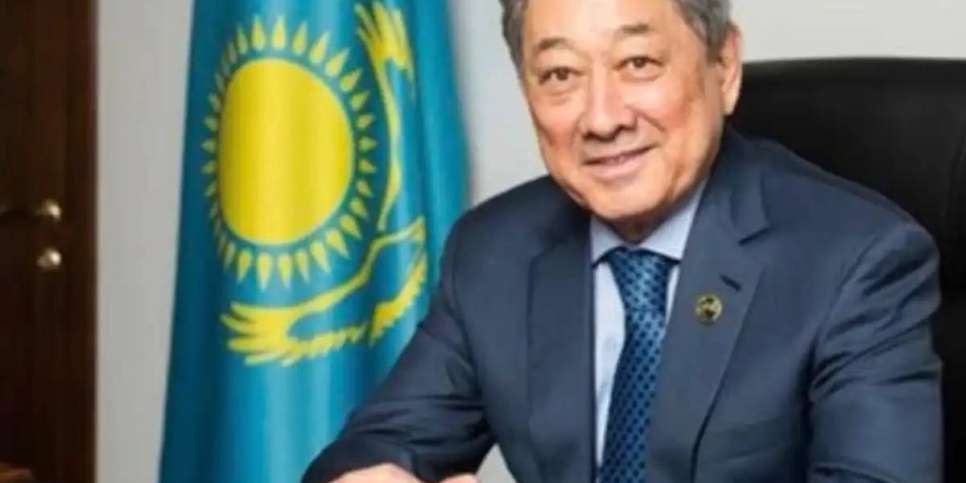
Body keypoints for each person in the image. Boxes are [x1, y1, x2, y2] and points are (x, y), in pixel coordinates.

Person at [303, 0, 944, 481]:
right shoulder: (495, 249)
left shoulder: (859, 259)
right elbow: (376, 445)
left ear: (723, 68)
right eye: (559, 74)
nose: (602, 118)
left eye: (638, 64)